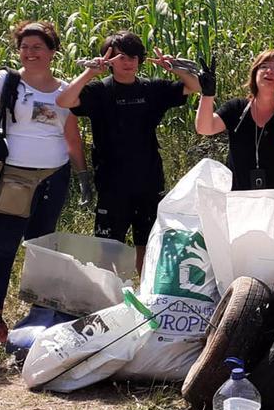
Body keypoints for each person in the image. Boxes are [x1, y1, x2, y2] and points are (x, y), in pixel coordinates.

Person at [0, 20, 90, 345]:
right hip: (13, 176)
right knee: (3, 247)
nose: (30, 53)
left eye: (37, 47)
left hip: (53, 176)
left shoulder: (64, 90)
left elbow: (71, 137)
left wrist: (83, 175)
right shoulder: (6, 81)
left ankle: (39, 315)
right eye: (24, 47)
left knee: (42, 249)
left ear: (52, 51)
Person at [56, 31, 200, 275]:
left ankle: (144, 292)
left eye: (134, 56)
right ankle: (110, 294)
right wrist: (91, 72)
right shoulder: (99, 91)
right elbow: (64, 101)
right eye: (121, 57)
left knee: (148, 242)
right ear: (107, 59)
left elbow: (194, 86)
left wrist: (173, 66)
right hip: (112, 183)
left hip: (149, 179)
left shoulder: (151, 88)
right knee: (109, 246)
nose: (129, 62)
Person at [194, 50, 274, 190]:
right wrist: (207, 94)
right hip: (236, 197)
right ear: (254, 74)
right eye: (263, 66)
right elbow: (205, 128)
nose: (269, 71)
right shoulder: (236, 108)